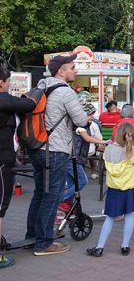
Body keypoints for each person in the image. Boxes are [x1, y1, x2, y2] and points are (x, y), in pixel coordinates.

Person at [26, 54, 88, 256]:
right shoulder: (65, 92)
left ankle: (32, 236)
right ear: (61, 71)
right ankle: (44, 243)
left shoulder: (41, 86)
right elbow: (81, 120)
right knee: (53, 196)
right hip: (55, 150)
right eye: (72, 67)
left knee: (39, 194)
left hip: (36, 148)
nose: (75, 70)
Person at [86, 123, 134, 257]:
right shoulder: (133, 153)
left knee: (110, 218)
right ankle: (125, 246)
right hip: (130, 189)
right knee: (129, 216)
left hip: (114, 190)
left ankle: (99, 247)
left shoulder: (108, 150)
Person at [0, 67, 36, 268]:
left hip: (6, 158)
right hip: (1, 160)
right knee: (0, 206)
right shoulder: (4, 99)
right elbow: (28, 104)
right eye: (7, 82)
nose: (9, 86)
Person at [57, 104, 110, 220]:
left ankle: (67, 209)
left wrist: (106, 146)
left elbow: (90, 143)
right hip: (72, 158)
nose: (92, 117)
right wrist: (104, 141)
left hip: (76, 158)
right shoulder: (79, 126)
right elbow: (87, 139)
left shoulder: (86, 125)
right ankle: (60, 201)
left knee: (73, 185)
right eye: (90, 114)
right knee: (82, 181)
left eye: (92, 114)